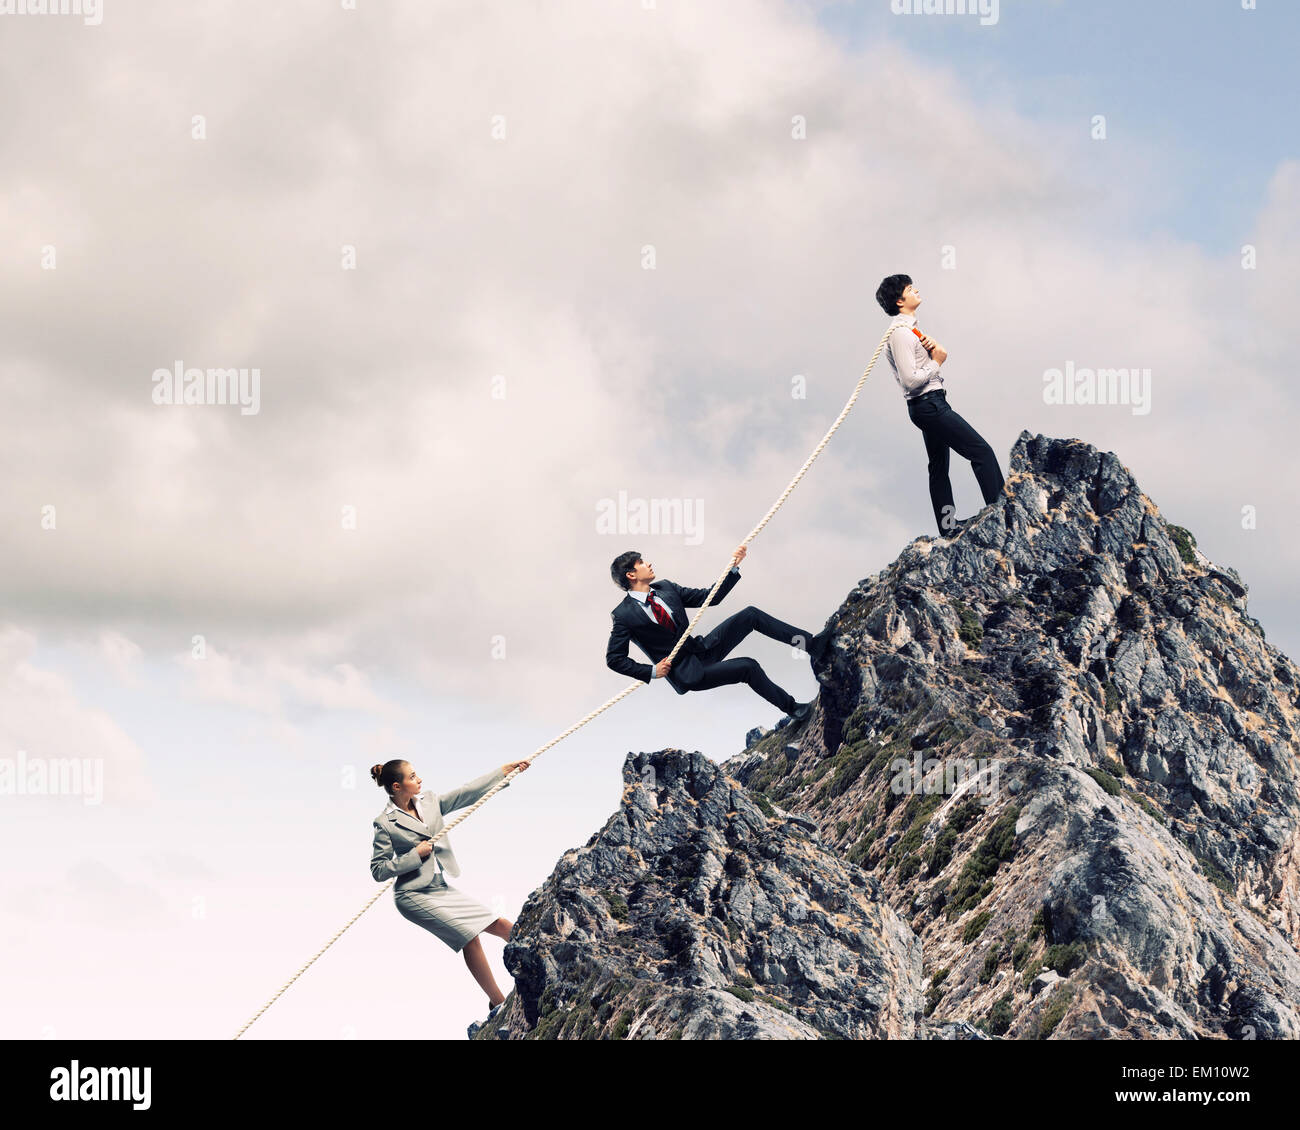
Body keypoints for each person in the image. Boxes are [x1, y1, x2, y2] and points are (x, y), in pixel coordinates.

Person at [369, 758, 529, 1035]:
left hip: (440, 887)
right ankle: (499, 1003)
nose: (419, 780)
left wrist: (503, 772)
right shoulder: (385, 823)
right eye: (413, 776)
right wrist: (413, 856)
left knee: (501, 924)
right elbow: (379, 869)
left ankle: (544, 957)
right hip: (413, 895)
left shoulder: (429, 801)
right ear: (397, 786)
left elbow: (465, 793)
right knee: (470, 936)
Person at [605, 544, 831, 727]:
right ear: (631, 574)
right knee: (748, 667)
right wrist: (652, 672)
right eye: (642, 562)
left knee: (750, 615)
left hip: (702, 648)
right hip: (689, 672)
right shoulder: (623, 615)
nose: (649, 563)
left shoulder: (665, 588)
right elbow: (614, 659)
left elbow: (709, 597)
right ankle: (794, 709)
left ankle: (812, 645)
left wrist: (733, 567)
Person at [875, 274, 1005, 538]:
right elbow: (910, 381)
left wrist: (933, 358)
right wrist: (938, 361)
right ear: (900, 301)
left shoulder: (910, 330)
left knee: (938, 467)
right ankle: (1004, 513)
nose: (916, 291)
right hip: (929, 406)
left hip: (930, 405)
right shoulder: (900, 335)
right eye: (910, 289)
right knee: (982, 453)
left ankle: (948, 528)